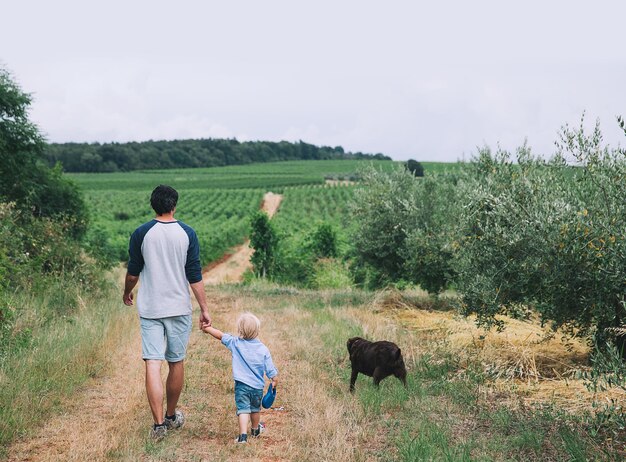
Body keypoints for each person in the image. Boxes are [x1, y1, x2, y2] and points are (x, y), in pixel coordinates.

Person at [123, 184, 212, 440]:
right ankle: (172, 416)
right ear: (174, 205)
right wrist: (204, 308)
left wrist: (127, 291)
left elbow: (133, 272)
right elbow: (194, 274)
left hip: (150, 308)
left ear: (153, 205)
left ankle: (158, 425)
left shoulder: (141, 233)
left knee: (152, 362)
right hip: (178, 308)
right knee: (176, 361)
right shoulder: (187, 233)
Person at [202, 312, 278, 444]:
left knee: (243, 409)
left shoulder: (235, 343)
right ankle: (255, 430)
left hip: (242, 386)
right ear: (257, 330)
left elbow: (220, 335)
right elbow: (270, 368)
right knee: (255, 409)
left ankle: (243, 436)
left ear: (240, 331)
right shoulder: (263, 349)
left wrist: (207, 328)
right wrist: (274, 379)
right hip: (257, 387)